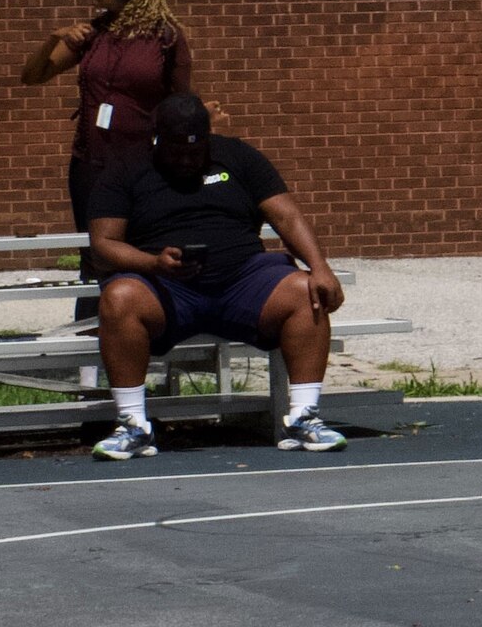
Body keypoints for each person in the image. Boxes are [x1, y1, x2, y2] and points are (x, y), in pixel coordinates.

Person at [84, 91, 354, 458]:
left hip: (241, 279)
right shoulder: (125, 169)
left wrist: (320, 267)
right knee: (119, 298)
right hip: (164, 286)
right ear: (157, 139)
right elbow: (103, 243)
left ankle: (305, 418)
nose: (186, 159)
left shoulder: (239, 156)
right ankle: (133, 425)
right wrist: (153, 263)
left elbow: (287, 216)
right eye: (177, 151)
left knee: (305, 290)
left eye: (196, 151)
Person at [21, 0, 191, 233]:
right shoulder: (92, 34)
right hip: (91, 166)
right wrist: (54, 38)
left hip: (144, 166)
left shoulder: (166, 38)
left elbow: (184, 102)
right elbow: (33, 76)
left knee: (139, 246)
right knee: (93, 254)